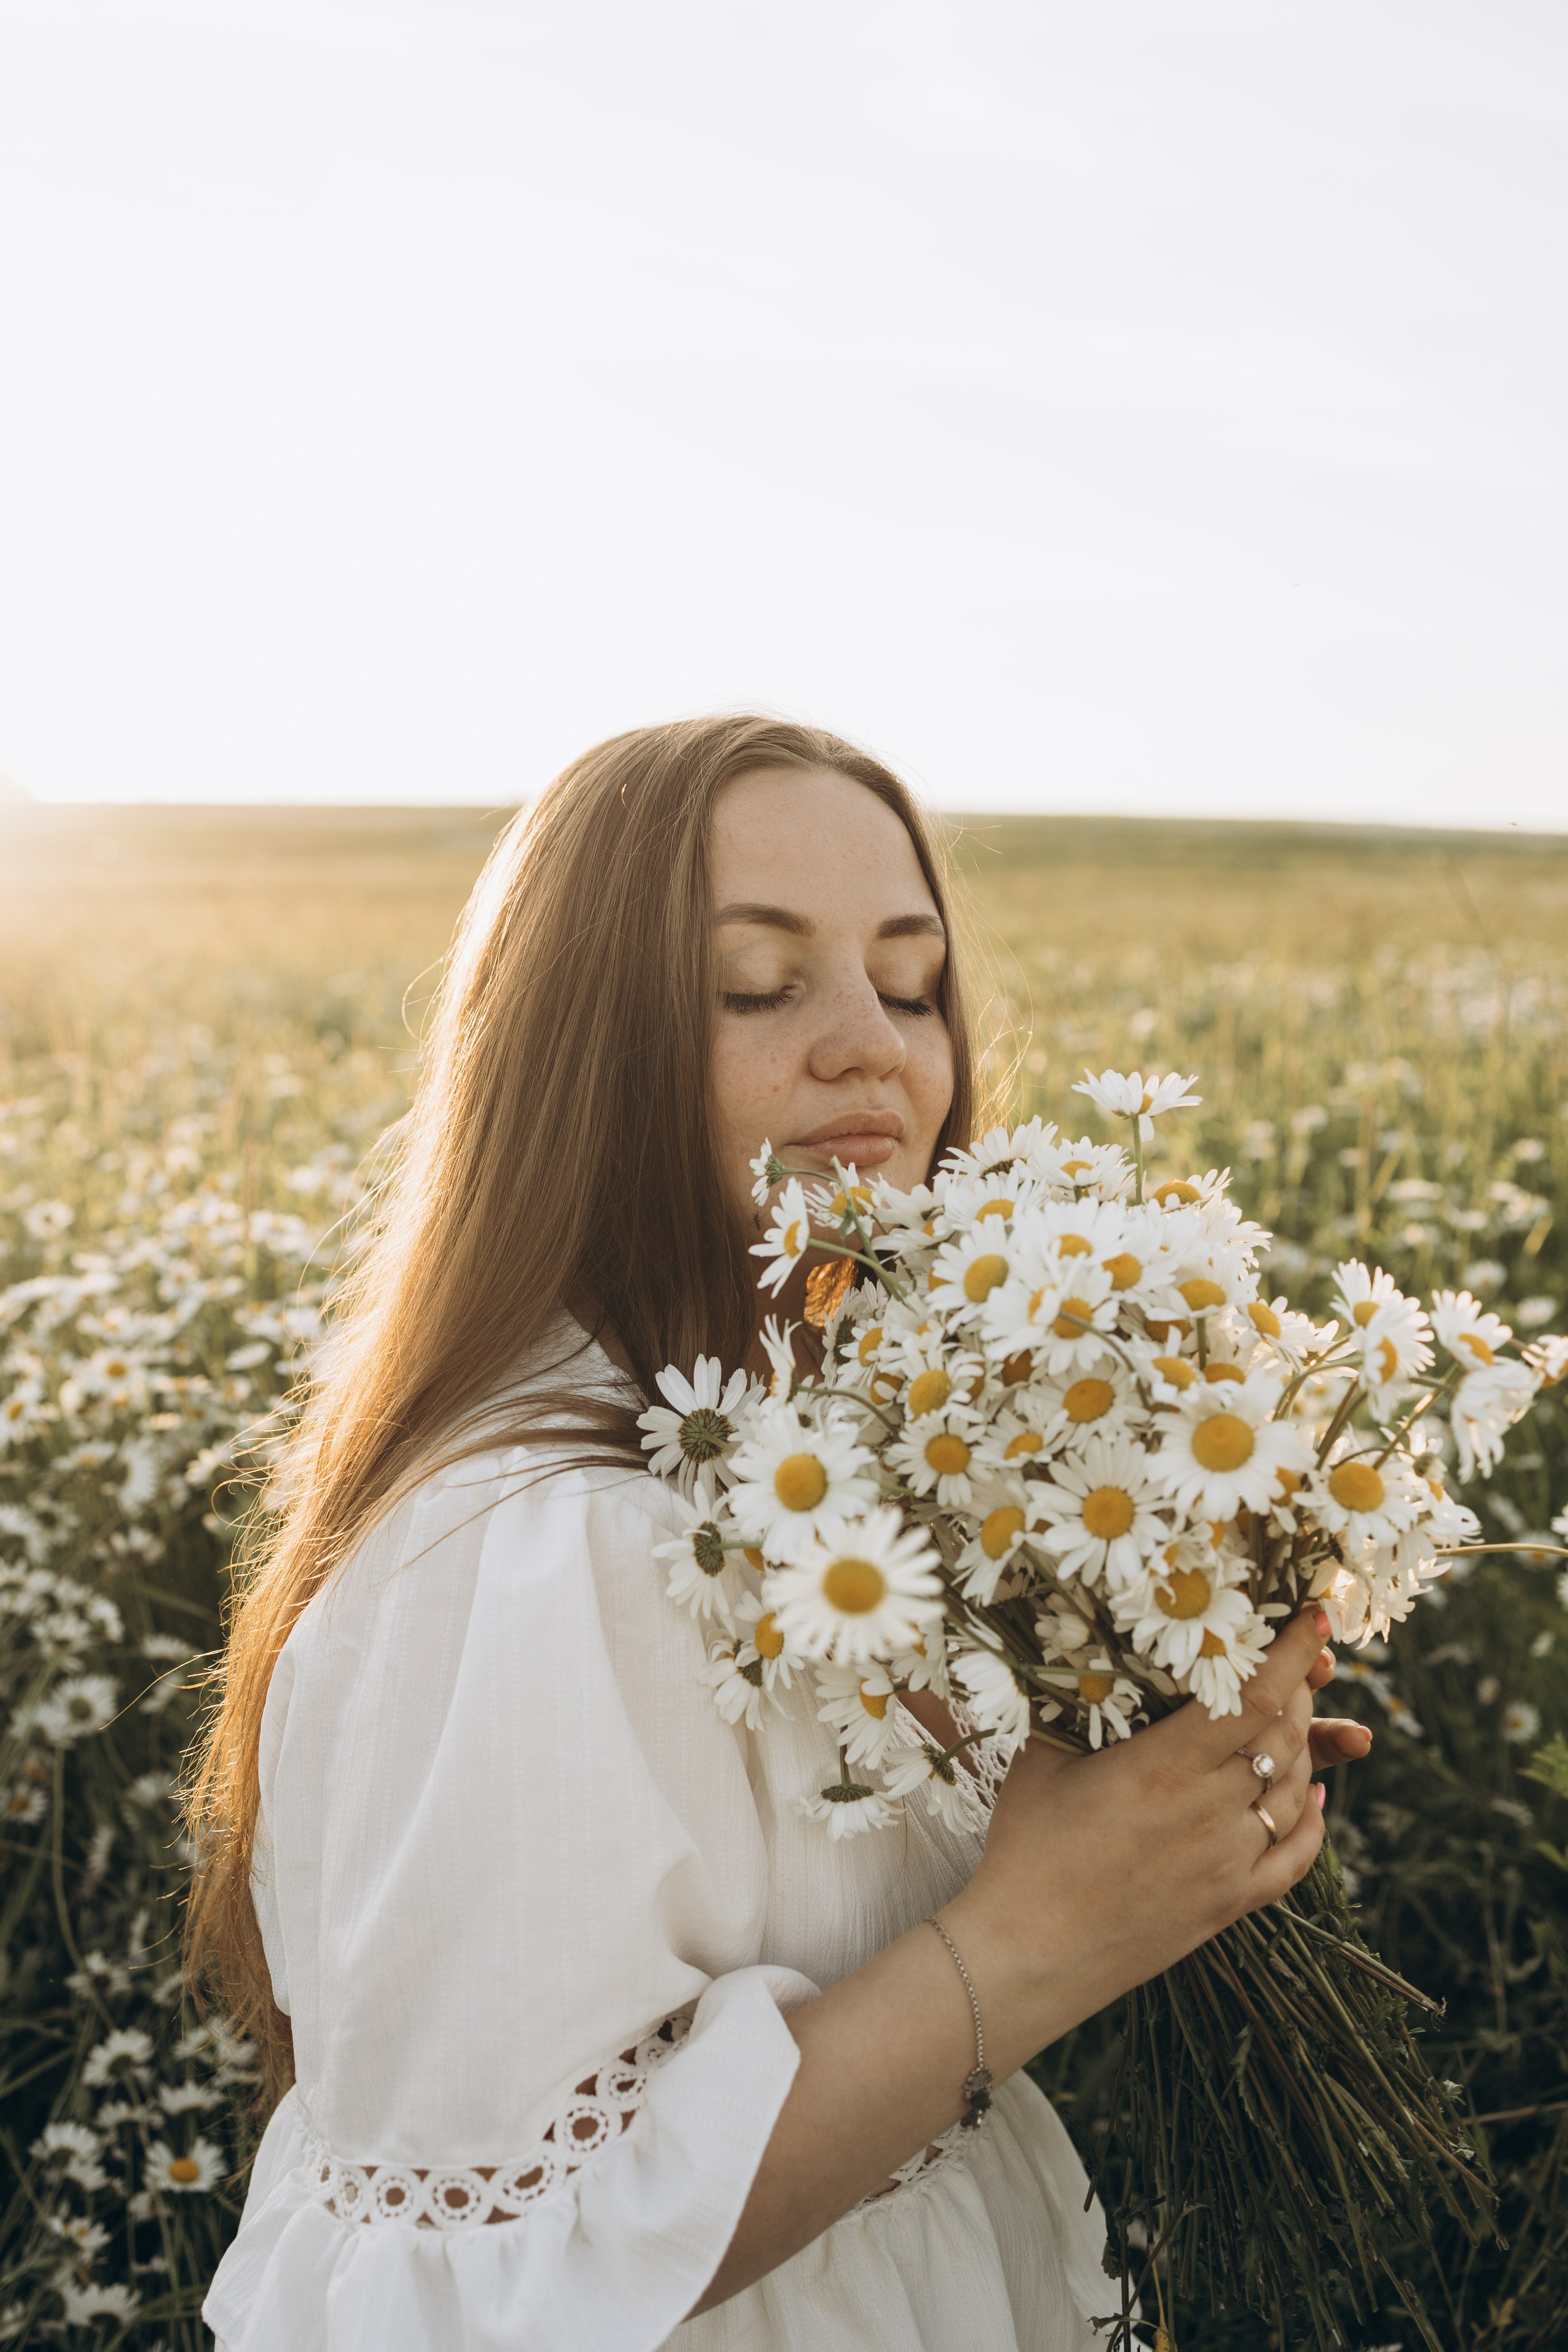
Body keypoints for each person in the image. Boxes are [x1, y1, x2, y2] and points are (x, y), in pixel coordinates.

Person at [190, 715, 1373, 2351]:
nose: (868, 1044)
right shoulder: (531, 1558)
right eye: (759, 985)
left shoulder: (844, 1452)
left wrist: (1158, 1786)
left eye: (911, 979)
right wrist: (1040, 1936)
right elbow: (482, 2281)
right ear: (573, 1050)